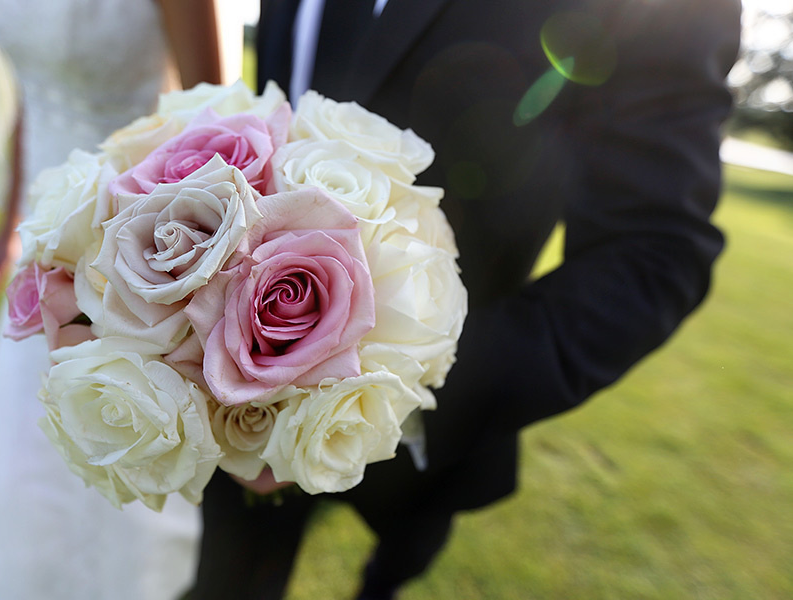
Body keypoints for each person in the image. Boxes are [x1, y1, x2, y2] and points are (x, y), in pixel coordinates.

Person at [188, 0, 743, 599]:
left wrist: (393, 398)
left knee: (396, 566)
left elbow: (656, 250)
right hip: (232, 382)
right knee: (226, 582)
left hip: (443, 408)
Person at [0, 1, 240, 598]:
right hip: (40, 258)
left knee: (122, 466)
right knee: (24, 466)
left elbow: (217, 120)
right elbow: (32, 99)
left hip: (131, 265)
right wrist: (9, 228)